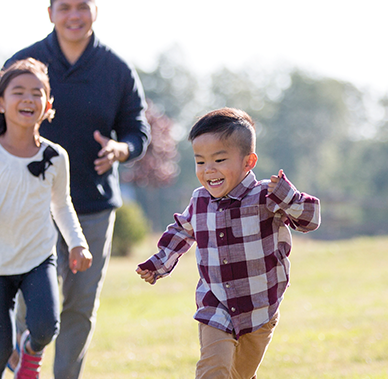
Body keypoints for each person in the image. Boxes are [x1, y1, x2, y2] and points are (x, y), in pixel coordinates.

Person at [4, 0, 151, 377]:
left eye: (81, 6)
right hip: (32, 207)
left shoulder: (117, 70)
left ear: (95, 10)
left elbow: (138, 130)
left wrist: (122, 150)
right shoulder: (24, 64)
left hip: (94, 209)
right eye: (64, 7)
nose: (73, 15)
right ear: (50, 12)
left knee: (79, 308)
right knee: (32, 305)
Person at [136, 108, 321, 378]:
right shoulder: (200, 200)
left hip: (259, 307)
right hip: (215, 303)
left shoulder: (265, 198)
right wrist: (159, 264)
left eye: (219, 160)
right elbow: (181, 231)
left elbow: (311, 219)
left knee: (239, 375)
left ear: (248, 162)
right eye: (200, 162)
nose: (208, 170)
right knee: (214, 368)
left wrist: (288, 197)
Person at [0, 58, 93, 379]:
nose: (28, 99)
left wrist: (77, 244)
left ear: (47, 105)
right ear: (0, 103)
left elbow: (61, 205)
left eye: (37, 93)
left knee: (46, 328)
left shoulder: (56, 156)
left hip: (38, 258)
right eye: (19, 92)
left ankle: (29, 352)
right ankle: (12, 355)